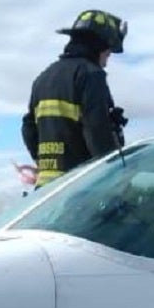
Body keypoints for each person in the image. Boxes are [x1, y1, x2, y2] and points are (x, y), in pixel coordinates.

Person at [20, 10, 127, 187]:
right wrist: (114, 177)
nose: (107, 61)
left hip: (46, 191)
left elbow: (28, 129)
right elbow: (96, 131)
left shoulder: (44, 77)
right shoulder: (91, 75)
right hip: (79, 188)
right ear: (99, 46)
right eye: (108, 54)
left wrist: (43, 161)